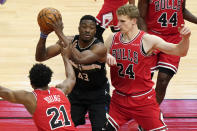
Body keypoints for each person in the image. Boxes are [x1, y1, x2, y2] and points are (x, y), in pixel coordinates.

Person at [103, 4, 190, 131]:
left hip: (143, 100)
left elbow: (180, 51)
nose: (118, 25)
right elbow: (98, 54)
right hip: (119, 100)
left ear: (134, 21)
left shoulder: (148, 40)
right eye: (118, 20)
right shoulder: (112, 38)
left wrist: (185, 39)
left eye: (122, 21)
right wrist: (106, 56)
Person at [35, 15, 109, 131]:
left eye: (91, 27)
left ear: (95, 30)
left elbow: (78, 58)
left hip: (98, 94)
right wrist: (43, 35)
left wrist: (59, 33)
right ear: (79, 28)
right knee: (62, 127)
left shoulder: (100, 48)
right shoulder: (68, 41)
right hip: (76, 93)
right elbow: (40, 56)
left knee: (101, 129)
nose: (87, 30)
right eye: (84, 27)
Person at [0, 46, 77, 131]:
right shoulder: (61, 91)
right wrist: (65, 57)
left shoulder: (31, 98)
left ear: (31, 83)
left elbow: (5, 92)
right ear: (49, 80)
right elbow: (71, 78)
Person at [138, 0, 197, 105]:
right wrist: (146, 38)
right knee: (144, 79)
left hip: (173, 38)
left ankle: (153, 113)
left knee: (163, 80)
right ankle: (141, 109)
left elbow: (182, 11)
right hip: (152, 36)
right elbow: (140, 16)